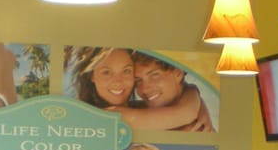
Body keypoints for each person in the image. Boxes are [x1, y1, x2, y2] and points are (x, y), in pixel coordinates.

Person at [67, 46, 205, 131]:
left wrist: (193, 93)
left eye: (126, 71)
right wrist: (193, 94)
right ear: (91, 76)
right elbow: (187, 113)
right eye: (106, 72)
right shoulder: (107, 116)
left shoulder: (138, 108)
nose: (118, 81)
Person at [132, 51, 215, 132]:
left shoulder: (197, 128)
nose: (144, 89)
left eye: (154, 75)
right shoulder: (134, 110)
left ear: (178, 73)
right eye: (138, 80)